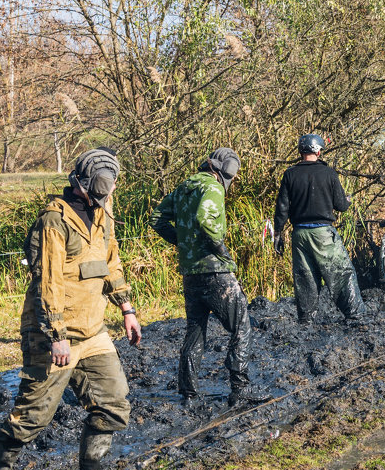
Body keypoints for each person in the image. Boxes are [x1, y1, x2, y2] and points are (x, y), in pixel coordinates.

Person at [0, 148, 142, 470]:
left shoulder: (104, 215)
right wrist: (56, 337)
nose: (105, 199)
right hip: (54, 334)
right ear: (81, 183)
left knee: (114, 403)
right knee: (34, 416)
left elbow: (111, 262)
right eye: (99, 192)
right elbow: (48, 283)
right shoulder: (54, 221)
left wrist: (126, 307)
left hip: (93, 331)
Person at [152, 148, 263, 411]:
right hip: (215, 272)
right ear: (224, 172)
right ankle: (240, 388)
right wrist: (219, 249)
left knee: (195, 331)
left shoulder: (184, 188)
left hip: (191, 274)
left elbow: (157, 218)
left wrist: (182, 242)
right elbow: (205, 218)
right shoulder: (212, 188)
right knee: (241, 326)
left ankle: (189, 394)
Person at [273, 134, 367, 325]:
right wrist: (347, 200)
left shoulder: (290, 174)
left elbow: (282, 207)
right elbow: (341, 205)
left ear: (301, 151)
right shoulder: (329, 174)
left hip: (299, 234)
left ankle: (306, 320)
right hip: (323, 233)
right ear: (318, 151)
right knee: (341, 273)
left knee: (305, 278)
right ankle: (355, 315)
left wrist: (278, 233)